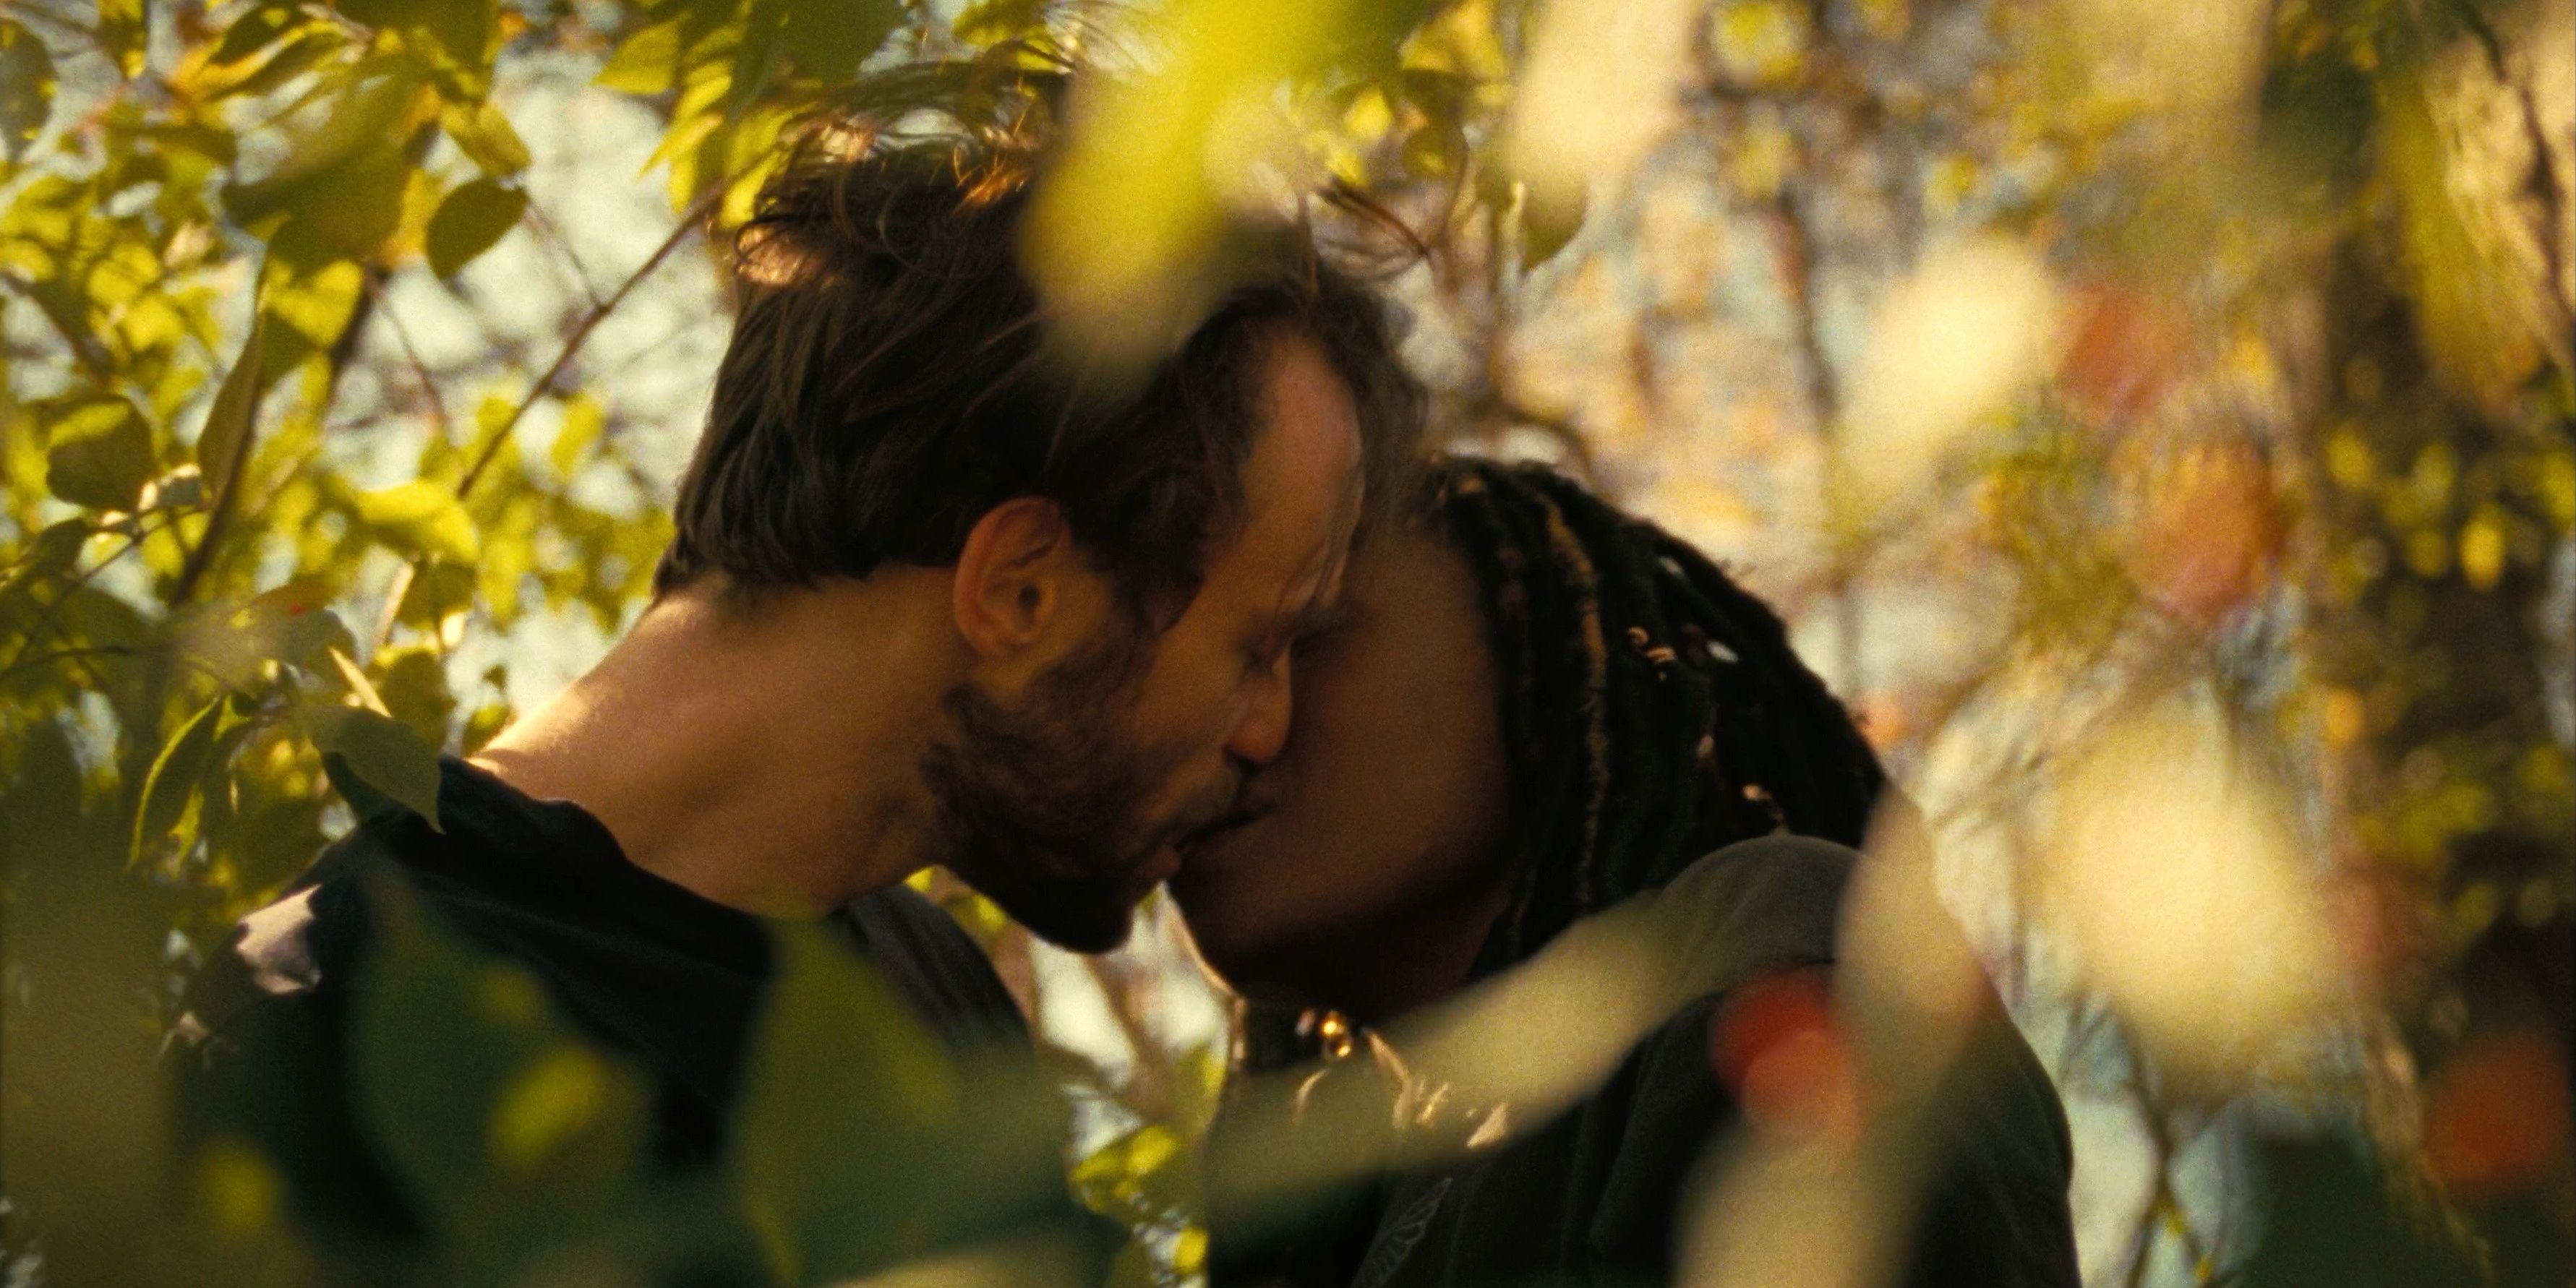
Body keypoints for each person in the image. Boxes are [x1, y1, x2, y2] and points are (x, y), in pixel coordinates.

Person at [164, 86, 1425, 1274]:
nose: (1269, 729)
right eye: (1256, 645)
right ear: (1020, 586)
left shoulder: (924, 991)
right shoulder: (323, 1037)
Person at [1168, 458, 2081, 1288]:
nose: (1228, 715)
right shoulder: (1316, 1200)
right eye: (1195, 660)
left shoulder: (1749, 939)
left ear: (1552, 672)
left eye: (1305, 636)